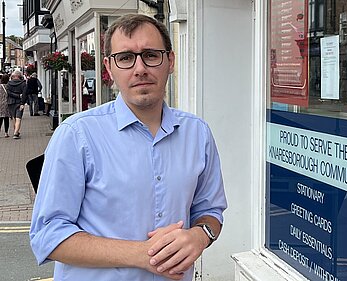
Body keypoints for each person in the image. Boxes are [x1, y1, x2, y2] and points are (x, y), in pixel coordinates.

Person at [30, 14, 227, 281]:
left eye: (151, 55)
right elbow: (48, 235)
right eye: (125, 58)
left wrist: (200, 235)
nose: (140, 68)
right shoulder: (76, 135)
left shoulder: (198, 134)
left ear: (170, 61)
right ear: (109, 68)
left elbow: (210, 212)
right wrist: (141, 254)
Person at [6, 70, 27, 139]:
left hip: (10, 102)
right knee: (18, 118)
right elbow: (24, 94)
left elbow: (8, 93)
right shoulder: (23, 84)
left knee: (13, 118)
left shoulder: (8, 84)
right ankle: (16, 133)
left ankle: (16, 131)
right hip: (19, 103)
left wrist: (15, 95)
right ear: (20, 76)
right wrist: (22, 103)